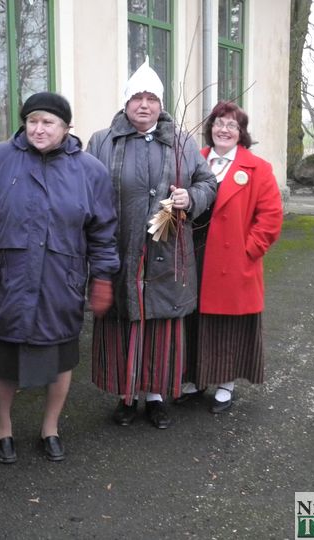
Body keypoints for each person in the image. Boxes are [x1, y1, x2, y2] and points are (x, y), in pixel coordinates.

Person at [0, 92, 119, 465]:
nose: (39, 129)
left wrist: (102, 277)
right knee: (3, 357)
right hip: (9, 278)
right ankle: (3, 429)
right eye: (32, 121)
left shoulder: (90, 171)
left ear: (66, 127)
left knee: (60, 357)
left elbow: (103, 232)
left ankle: (50, 428)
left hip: (61, 280)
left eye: (48, 122)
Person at [87, 59, 217, 429]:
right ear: (126, 102)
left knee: (160, 326)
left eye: (151, 99)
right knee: (124, 321)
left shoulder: (181, 141)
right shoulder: (102, 141)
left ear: (160, 104)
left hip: (167, 250)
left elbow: (208, 183)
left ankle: (157, 396)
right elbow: (86, 187)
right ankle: (126, 396)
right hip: (120, 247)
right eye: (137, 98)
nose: (144, 105)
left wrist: (190, 198)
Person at [177, 101, 282, 413]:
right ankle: (196, 378)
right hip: (195, 254)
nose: (224, 130)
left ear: (241, 132)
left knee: (227, 325)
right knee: (194, 319)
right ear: (210, 128)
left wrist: (248, 250)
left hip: (233, 260)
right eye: (219, 123)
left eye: (231, 125)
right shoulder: (194, 160)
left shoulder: (258, 168)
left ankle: (226, 383)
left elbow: (271, 218)